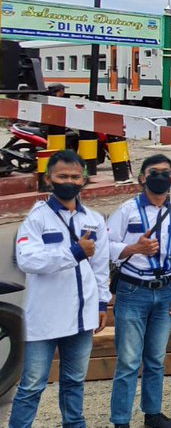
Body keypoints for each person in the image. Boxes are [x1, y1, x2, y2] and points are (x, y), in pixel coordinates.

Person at [10, 150, 111, 428]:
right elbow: (28, 259)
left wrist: (102, 304)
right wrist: (74, 252)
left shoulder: (94, 219)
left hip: (82, 318)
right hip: (45, 318)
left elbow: (101, 267)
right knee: (31, 386)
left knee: (74, 382)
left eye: (75, 176)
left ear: (84, 180)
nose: (69, 181)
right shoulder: (37, 218)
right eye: (62, 176)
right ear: (49, 179)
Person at [107, 154, 171, 428]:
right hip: (133, 291)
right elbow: (105, 246)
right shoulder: (126, 210)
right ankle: (121, 421)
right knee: (129, 362)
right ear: (143, 178)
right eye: (153, 172)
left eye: (165, 173)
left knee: (155, 359)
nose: (160, 177)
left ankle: (152, 414)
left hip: (164, 291)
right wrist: (133, 249)